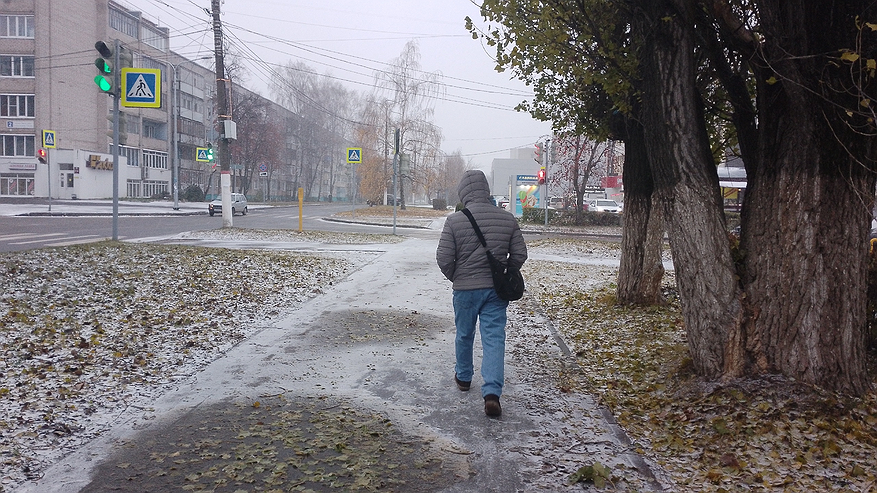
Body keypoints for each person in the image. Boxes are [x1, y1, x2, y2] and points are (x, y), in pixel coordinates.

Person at [436, 170, 527, 417]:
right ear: (486, 191)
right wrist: (505, 272)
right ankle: (491, 393)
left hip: (465, 291)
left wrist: (458, 277)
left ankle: (464, 377)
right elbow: (520, 254)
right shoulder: (507, 219)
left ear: (464, 192)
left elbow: (443, 258)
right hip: (495, 292)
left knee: (464, 334)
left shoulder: (455, 221)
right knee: (494, 339)